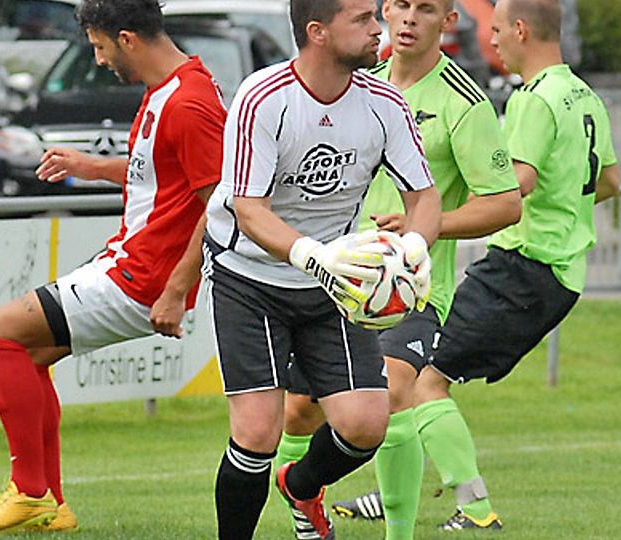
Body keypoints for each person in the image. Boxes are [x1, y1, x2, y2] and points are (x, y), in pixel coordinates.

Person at [0, 0, 227, 534]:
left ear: (126, 39)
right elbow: (163, 173)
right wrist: (93, 166)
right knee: (29, 353)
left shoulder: (189, 101)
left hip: (143, 277)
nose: (100, 61)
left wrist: (175, 288)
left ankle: (31, 492)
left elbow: (219, 201)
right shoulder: (170, 89)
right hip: (132, 262)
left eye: (100, 48)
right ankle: (51, 505)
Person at [276, 1, 522, 538]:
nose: (409, 18)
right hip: (335, 280)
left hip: (410, 290)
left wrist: (420, 233)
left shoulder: (464, 102)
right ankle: (301, 497)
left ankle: (400, 535)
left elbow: (505, 204)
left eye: (426, 8)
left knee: (390, 394)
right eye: (401, 5)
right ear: (385, 11)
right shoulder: (358, 83)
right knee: (296, 414)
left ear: (448, 20)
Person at [204, 0, 442, 538]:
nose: (378, 29)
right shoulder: (262, 98)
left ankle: (303, 486)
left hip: (337, 285)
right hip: (250, 279)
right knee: (258, 432)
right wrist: (314, 254)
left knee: (365, 425)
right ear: (317, 31)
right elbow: (248, 209)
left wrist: (416, 248)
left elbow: (424, 198)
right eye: (362, 19)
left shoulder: (385, 104)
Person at [409, 0, 620, 531]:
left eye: (497, 30)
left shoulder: (534, 98)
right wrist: (563, 207)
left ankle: (474, 509)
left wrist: (429, 223)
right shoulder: (583, 94)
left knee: (423, 381)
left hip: (524, 268)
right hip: (560, 272)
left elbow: (514, 186)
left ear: (521, 30)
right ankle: (396, 489)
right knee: (414, 377)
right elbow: (611, 183)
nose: (492, 41)